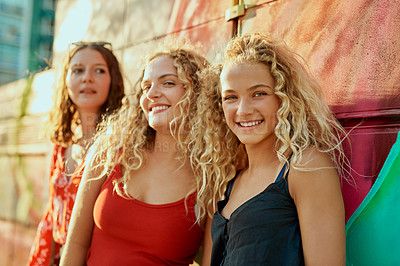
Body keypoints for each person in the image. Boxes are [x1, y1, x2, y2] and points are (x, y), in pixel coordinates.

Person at [197, 33, 348, 265]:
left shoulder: (304, 167)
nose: (243, 110)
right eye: (231, 97)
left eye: (259, 94)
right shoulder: (227, 180)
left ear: (283, 98)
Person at [60, 43, 213, 265]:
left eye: (168, 83)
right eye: (146, 86)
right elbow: (75, 244)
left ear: (198, 93)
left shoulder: (211, 177)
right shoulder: (109, 152)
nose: (151, 94)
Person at [28, 41, 125, 266]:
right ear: (66, 80)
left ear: (113, 80)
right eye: (78, 70)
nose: (87, 78)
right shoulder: (61, 145)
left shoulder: (122, 146)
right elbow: (52, 217)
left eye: (99, 70)